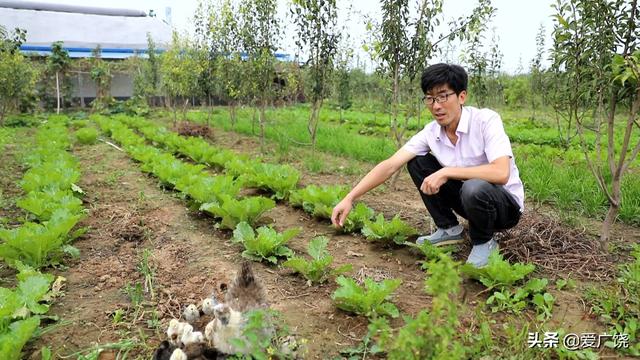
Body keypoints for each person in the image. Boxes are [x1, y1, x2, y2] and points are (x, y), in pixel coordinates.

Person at [331, 63, 524, 268]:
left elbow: (501, 172)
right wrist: (350, 197)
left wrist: (447, 171)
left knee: (473, 186)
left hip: (504, 207)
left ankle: (484, 242)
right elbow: (389, 165)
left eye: (442, 96)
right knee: (417, 162)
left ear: (461, 97)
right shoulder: (431, 132)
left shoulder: (486, 120)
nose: (436, 105)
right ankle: (449, 229)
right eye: (430, 98)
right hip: (470, 201)